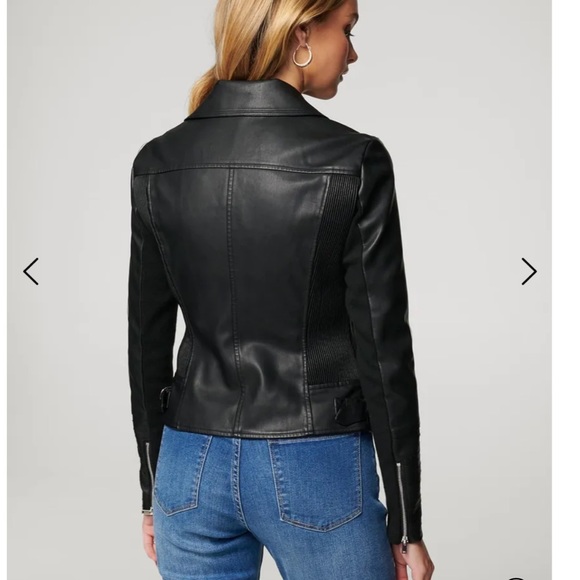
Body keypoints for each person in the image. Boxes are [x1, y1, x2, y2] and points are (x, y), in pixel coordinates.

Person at [127, 0, 435, 578]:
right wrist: (406, 525)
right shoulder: (353, 161)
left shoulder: (157, 163)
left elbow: (146, 342)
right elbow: (383, 351)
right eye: (348, 30)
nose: (353, 52)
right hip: (315, 467)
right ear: (301, 33)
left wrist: (152, 487)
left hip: (188, 469)